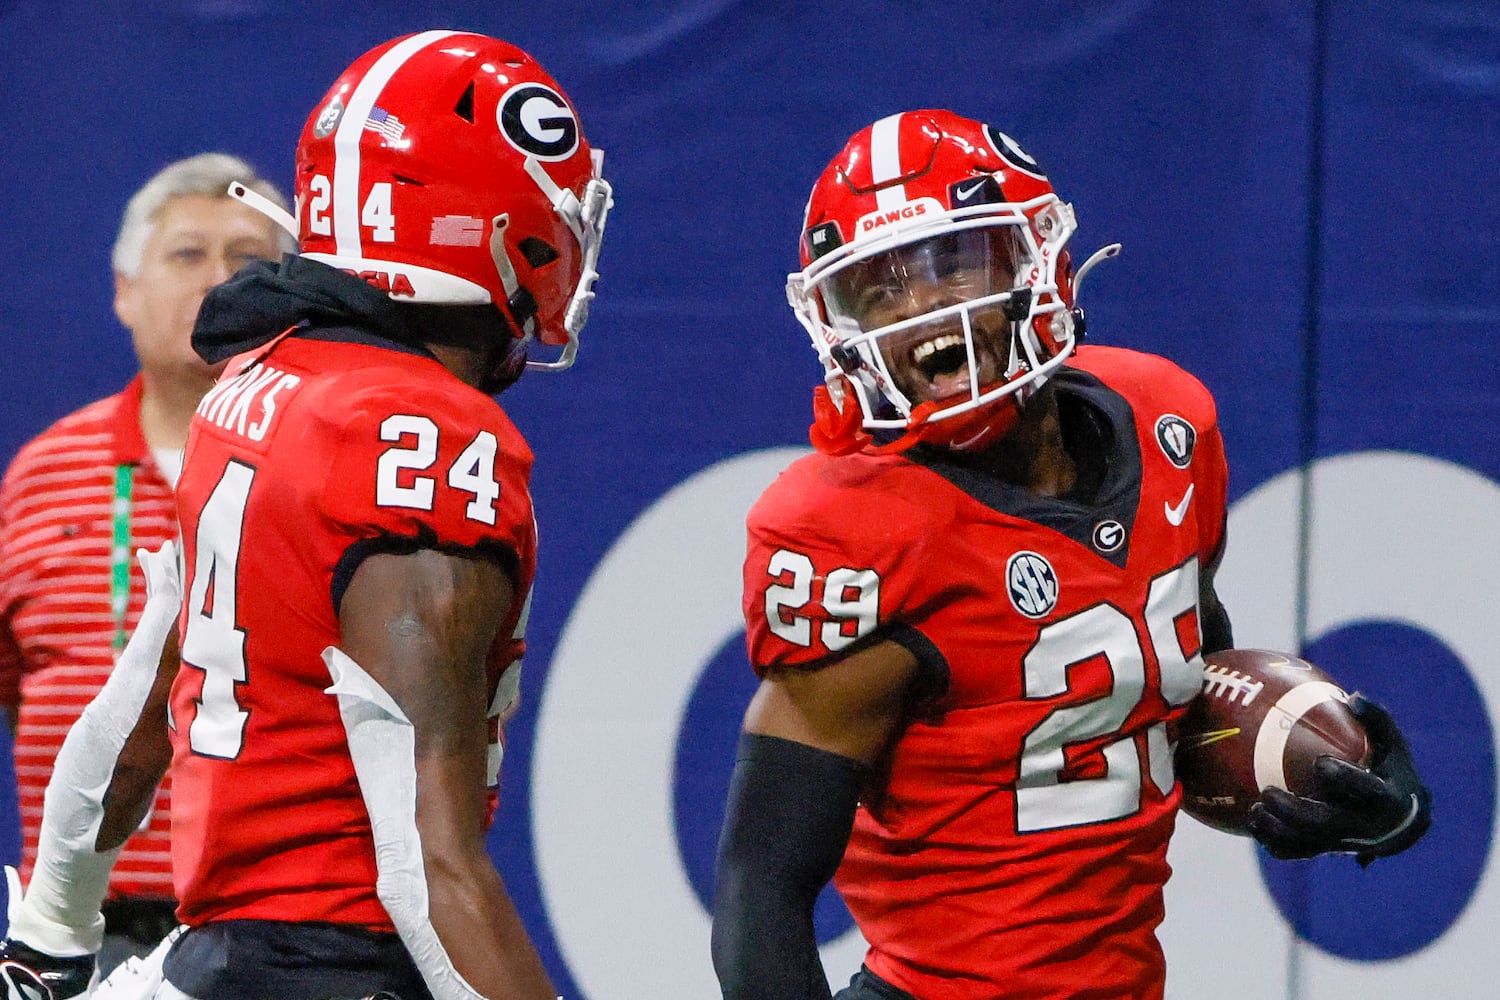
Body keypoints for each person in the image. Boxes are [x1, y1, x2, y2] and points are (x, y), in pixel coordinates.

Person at [710, 110, 1431, 1000]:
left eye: (953, 263)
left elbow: (1168, 693)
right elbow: (762, 891)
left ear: (1035, 258)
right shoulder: (854, 531)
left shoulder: (1169, 422)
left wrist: (1327, 788)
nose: (924, 307)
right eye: (879, 291)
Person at [0, 28, 611, 1000]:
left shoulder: (253, 386)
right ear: (493, 227)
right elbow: (428, 869)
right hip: (337, 963)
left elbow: (137, 715)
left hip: (209, 962)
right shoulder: (420, 432)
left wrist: (47, 930)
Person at [0, 152, 294, 973]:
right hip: (81, 934)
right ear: (125, 291)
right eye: (187, 254)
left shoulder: (330, 464)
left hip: (269, 937)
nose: (218, 278)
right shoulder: (42, 473)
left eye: (249, 260)